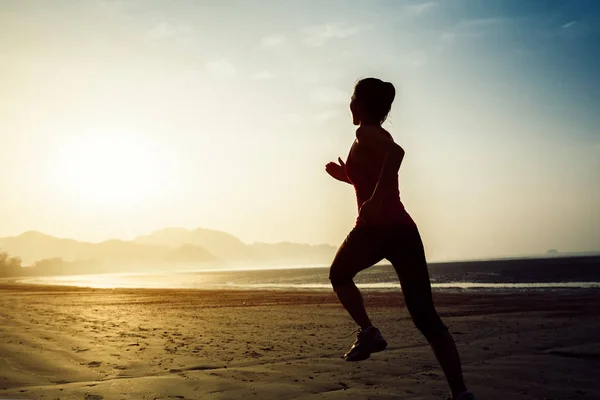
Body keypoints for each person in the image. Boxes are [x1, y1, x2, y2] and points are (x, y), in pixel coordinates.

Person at [325, 78, 475, 400]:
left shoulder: (365, 132)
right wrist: (347, 177)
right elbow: (375, 173)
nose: (349, 106)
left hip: (375, 229)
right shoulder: (371, 135)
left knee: (339, 274)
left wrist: (376, 200)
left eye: (351, 101)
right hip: (402, 230)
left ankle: (369, 332)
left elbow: (396, 154)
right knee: (425, 316)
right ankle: (461, 394)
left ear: (359, 105)